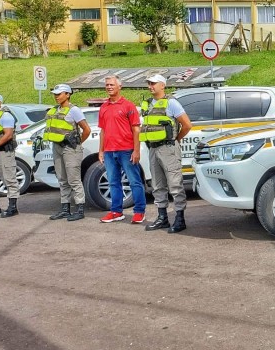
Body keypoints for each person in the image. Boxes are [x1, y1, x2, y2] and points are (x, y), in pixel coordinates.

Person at [140, 74, 193, 233]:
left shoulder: (171, 103)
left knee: (175, 184)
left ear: (162, 85)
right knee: (157, 185)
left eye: (154, 83)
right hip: (153, 148)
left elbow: (187, 125)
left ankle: (180, 219)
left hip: (168, 148)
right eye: (149, 83)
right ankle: (162, 217)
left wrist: (175, 139)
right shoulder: (148, 104)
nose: (150, 86)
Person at [98, 75, 146, 223]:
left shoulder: (128, 106)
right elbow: (103, 131)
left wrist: (136, 150)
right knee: (113, 182)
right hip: (109, 152)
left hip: (126, 150)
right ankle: (116, 211)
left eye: (112, 84)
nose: (109, 87)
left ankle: (139, 211)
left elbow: (136, 130)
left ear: (120, 86)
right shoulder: (104, 107)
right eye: (107, 85)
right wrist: (101, 150)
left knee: (134, 181)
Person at [45, 84, 91, 221]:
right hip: (57, 147)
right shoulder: (54, 110)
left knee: (73, 179)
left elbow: (86, 130)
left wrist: (77, 143)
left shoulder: (74, 110)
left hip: (70, 148)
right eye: (55, 94)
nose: (56, 96)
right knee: (62, 179)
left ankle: (80, 208)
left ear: (68, 94)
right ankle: (65, 209)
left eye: (59, 94)